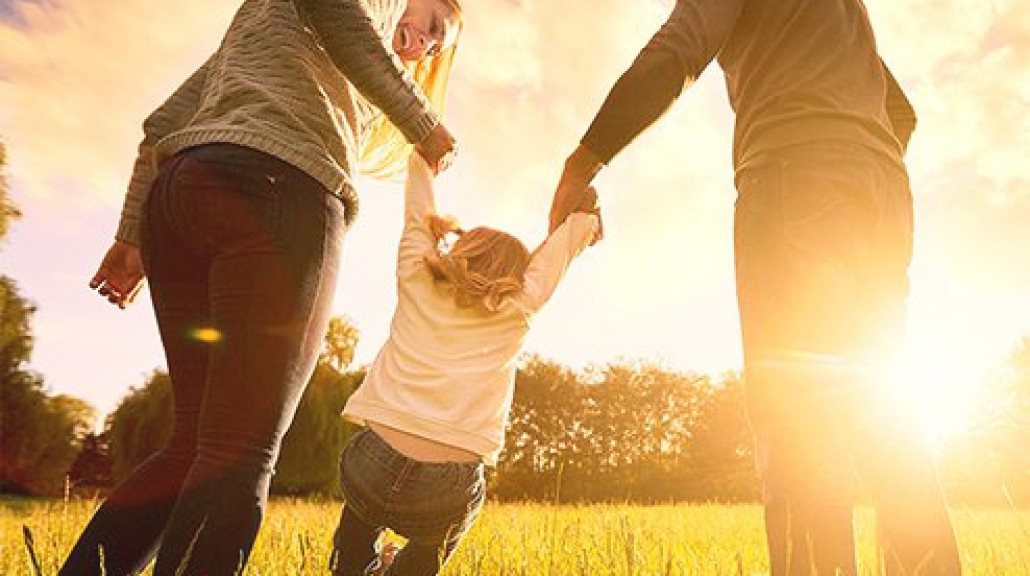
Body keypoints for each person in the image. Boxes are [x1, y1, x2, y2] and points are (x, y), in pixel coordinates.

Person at [548, 1, 962, 574]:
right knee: (884, 418)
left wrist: (583, 162)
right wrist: (851, 162)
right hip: (882, 192)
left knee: (796, 417)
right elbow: (902, 113)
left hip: (794, 178)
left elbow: (678, 51)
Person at [63, 0, 463, 574]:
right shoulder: (372, 9)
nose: (424, 43)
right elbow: (340, 14)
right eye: (431, 24)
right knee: (238, 452)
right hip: (279, 190)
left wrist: (132, 236)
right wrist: (424, 122)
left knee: (194, 443)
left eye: (436, 46)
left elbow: (163, 122)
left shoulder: (265, 26)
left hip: (180, 196)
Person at [328, 153, 600, 576]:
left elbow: (418, 212)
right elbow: (561, 250)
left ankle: (353, 563)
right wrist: (585, 218)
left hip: (372, 462)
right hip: (446, 486)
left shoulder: (417, 276)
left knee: (360, 519)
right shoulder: (520, 305)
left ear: (463, 250)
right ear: (518, 274)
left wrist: (424, 159)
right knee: (436, 537)